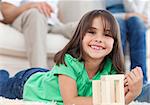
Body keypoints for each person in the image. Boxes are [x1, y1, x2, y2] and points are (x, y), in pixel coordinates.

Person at [0, 10, 143, 105]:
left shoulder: (110, 68)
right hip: (25, 84)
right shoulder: (69, 62)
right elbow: (71, 101)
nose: (99, 39)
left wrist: (134, 93)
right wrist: (109, 99)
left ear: (115, 42)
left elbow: (115, 102)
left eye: (106, 34)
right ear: (80, 37)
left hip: (48, 77)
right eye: (92, 32)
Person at [1, 0, 75, 68]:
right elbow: (7, 13)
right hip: (30, 18)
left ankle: (83, 76)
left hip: (52, 25)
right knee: (36, 14)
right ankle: (39, 77)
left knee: (82, 26)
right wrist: (30, 5)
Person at [105, 0, 148, 84]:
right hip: (111, 15)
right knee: (119, 26)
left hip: (133, 17)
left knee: (137, 23)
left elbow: (141, 16)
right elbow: (97, 13)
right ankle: (116, 77)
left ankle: (140, 81)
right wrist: (125, 15)